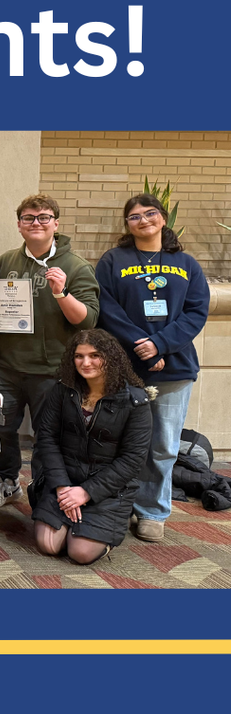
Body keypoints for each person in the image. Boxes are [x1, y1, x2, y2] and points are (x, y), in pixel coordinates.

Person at [95, 194, 209, 543]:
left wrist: (161, 344)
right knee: (117, 442)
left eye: (149, 213)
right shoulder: (113, 260)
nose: (142, 220)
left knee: (163, 445)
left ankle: (152, 511)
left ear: (162, 219)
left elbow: (196, 310)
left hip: (174, 368)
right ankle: (117, 501)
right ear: (126, 225)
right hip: (125, 366)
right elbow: (106, 307)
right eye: (134, 216)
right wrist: (142, 346)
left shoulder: (186, 263)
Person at [0, 194, 100, 510]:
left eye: (44, 217)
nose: (36, 223)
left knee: (48, 438)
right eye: (29, 217)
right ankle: (6, 483)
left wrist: (61, 292)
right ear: (19, 224)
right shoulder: (6, 261)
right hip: (6, 365)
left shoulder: (77, 266)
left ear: (56, 224)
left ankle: (43, 492)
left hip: (53, 370)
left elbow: (87, 319)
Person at [30, 330, 152, 563]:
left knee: (80, 553)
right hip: (64, 481)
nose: (85, 363)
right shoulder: (62, 390)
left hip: (107, 490)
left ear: (111, 357)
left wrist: (86, 493)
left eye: (94, 355)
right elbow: (47, 438)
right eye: (79, 356)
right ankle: (77, 522)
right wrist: (63, 488)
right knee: (48, 545)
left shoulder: (135, 401)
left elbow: (132, 460)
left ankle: (114, 520)